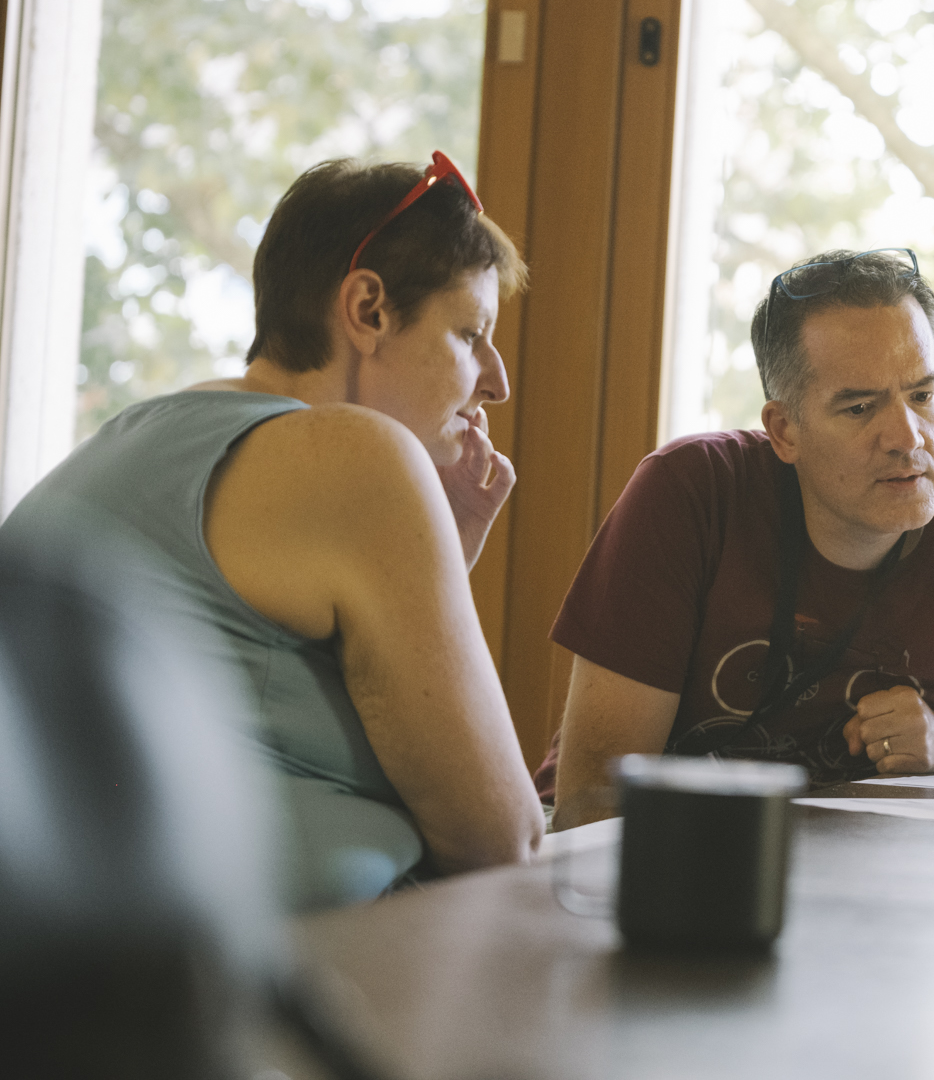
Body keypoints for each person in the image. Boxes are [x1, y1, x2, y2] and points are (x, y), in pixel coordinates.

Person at [0, 154, 543, 909]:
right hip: (253, 960)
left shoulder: (135, 435)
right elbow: (501, 836)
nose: (498, 381)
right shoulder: (360, 457)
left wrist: (443, 552)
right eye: (469, 333)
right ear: (369, 310)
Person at [543, 247, 934, 830]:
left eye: (922, 396)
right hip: (645, 856)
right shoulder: (689, 495)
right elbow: (593, 799)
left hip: (867, 874)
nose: (908, 438)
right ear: (783, 431)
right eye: (860, 408)